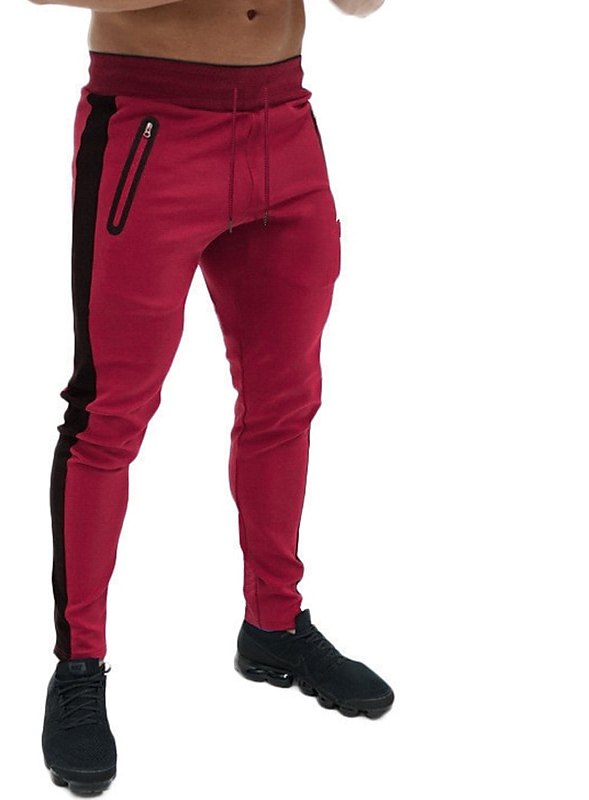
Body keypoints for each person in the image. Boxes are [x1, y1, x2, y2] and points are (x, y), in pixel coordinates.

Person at [28, 0, 392, 794]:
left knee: (285, 401)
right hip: (152, 127)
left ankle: (274, 623)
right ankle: (79, 665)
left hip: (283, 123)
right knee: (107, 416)